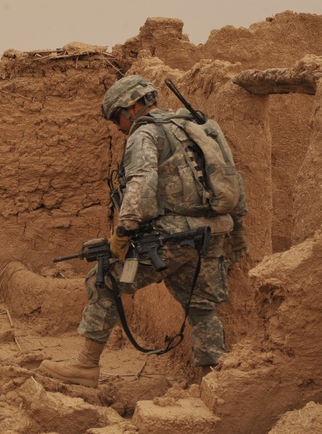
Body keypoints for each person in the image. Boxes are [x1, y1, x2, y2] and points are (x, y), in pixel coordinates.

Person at [39, 75, 249, 387]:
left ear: (134, 106)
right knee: (203, 308)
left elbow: (141, 182)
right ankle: (213, 380)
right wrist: (238, 236)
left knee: (106, 278)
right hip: (213, 233)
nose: (119, 127)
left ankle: (85, 364)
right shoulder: (195, 125)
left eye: (117, 118)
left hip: (173, 235)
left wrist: (122, 234)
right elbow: (234, 181)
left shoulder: (145, 134)